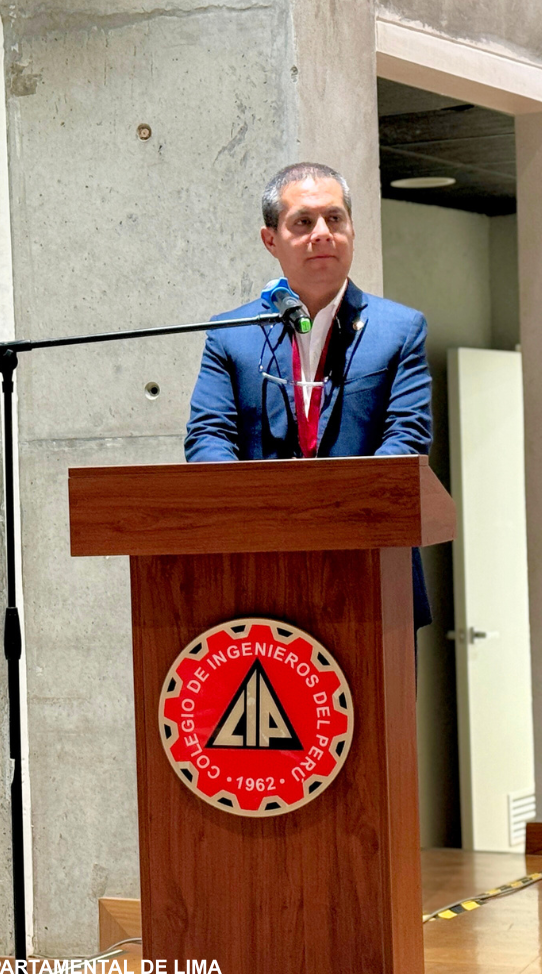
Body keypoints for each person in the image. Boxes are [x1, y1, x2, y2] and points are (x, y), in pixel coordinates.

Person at [184, 161, 433, 627]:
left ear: (352, 230)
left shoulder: (399, 330)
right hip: (255, 576)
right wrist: (264, 515)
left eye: (334, 218)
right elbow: (208, 439)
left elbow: (407, 440)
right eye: (303, 222)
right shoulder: (231, 334)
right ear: (270, 240)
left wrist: (328, 514)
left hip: (374, 573)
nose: (322, 233)